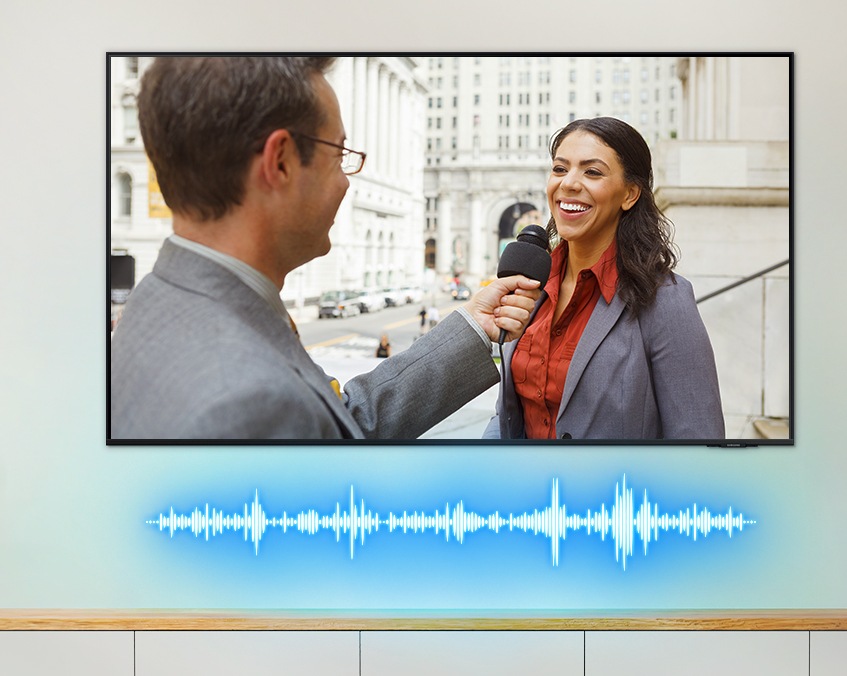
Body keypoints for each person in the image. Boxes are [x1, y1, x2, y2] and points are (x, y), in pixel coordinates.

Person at [110, 56, 539, 440]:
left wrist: (471, 327)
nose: (346, 181)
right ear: (280, 162)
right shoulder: (245, 404)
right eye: (339, 155)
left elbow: (340, 424)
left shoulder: (157, 299)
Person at [484, 117, 725, 440]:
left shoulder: (666, 298)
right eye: (559, 169)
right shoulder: (531, 286)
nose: (568, 183)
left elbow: (698, 440)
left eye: (592, 172)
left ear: (629, 194)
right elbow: (509, 416)